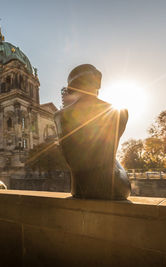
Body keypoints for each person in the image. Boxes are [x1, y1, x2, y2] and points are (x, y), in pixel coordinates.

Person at [54, 64, 131, 200]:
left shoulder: (59, 116)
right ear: (98, 84)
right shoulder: (121, 112)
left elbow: (72, 159)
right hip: (113, 187)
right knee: (113, 157)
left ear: (73, 89)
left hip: (79, 188)